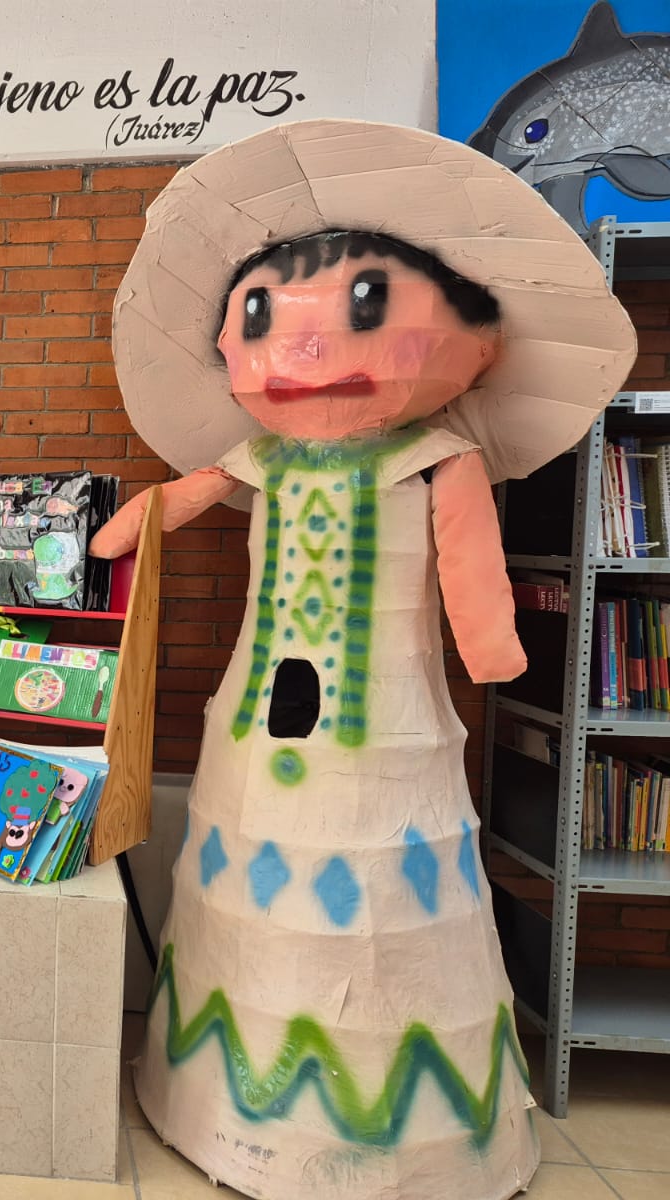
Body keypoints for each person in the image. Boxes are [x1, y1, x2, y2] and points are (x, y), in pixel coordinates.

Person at [90, 121, 636, 1200]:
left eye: (361, 310)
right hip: (260, 718)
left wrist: (490, 650)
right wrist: (108, 532)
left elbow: (471, 578)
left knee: (383, 913)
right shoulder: (259, 456)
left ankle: (384, 1145)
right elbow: (174, 504)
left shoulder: (440, 458)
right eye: (259, 318)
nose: (294, 348)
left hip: (385, 726)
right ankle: (224, 1116)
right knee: (258, 903)